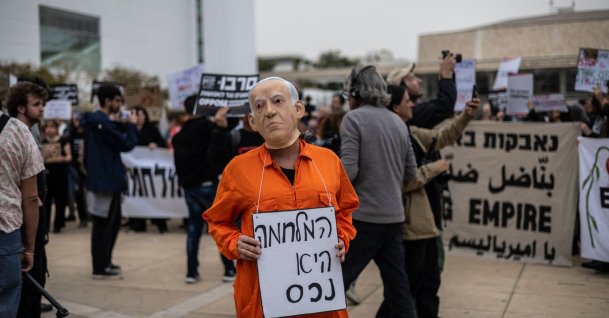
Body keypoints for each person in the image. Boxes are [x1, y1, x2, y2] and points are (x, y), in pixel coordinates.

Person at [203, 77, 358, 318]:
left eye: (277, 101)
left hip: (323, 306)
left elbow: (345, 212)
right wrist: (235, 243)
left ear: (298, 109)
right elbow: (217, 221)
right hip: (263, 303)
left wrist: (341, 238)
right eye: (260, 106)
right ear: (253, 122)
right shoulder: (238, 169)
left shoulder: (329, 161)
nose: (270, 112)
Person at [382, 84, 479, 318]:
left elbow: (441, 136)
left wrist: (465, 115)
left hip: (426, 224)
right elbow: (401, 181)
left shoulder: (413, 133)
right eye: (407, 101)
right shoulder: (391, 138)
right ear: (395, 107)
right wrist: (433, 169)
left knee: (427, 286)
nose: (412, 104)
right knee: (405, 290)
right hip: (410, 228)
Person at [340, 65, 417, 318]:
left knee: (335, 282)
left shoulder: (353, 119)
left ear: (355, 93)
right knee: (398, 288)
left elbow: (347, 172)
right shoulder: (398, 122)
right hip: (394, 218)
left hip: (363, 218)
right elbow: (411, 174)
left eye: (348, 94)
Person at [172, 96, 238, 284]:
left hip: (190, 188)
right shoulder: (210, 130)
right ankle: (228, 269)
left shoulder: (179, 136)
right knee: (220, 228)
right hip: (209, 185)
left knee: (193, 229)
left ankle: (191, 272)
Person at [82, 85, 139, 279]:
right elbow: (125, 144)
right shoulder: (100, 121)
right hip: (104, 181)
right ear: (108, 101)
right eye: (117, 100)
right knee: (103, 225)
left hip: (109, 179)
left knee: (112, 224)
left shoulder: (100, 121)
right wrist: (131, 125)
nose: (120, 105)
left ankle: (105, 261)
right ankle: (99, 266)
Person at [1, 83, 45, 318]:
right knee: (6, 305)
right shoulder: (18, 131)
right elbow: (30, 197)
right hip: (6, 232)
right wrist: (29, 248)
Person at [125, 106, 168, 233]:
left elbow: (163, 144)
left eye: (141, 115)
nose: (139, 117)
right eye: (136, 115)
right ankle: (137, 224)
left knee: (153, 196)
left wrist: (156, 145)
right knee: (136, 197)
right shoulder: (129, 129)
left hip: (150, 172)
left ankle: (161, 224)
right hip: (133, 171)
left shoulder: (151, 129)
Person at [41, 119, 72, 234]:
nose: (50, 129)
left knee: (61, 200)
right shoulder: (42, 142)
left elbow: (69, 157)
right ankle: (46, 225)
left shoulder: (63, 141)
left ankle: (58, 224)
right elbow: (40, 159)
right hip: (47, 175)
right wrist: (45, 158)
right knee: (46, 201)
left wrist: (62, 159)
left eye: (52, 127)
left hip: (60, 174)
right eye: (47, 127)